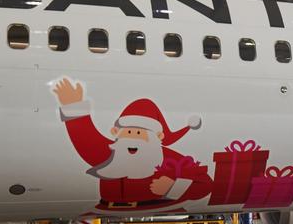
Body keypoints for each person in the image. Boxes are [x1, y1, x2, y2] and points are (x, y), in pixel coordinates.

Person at [53, 78, 212, 212]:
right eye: (128, 132)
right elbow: (85, 141)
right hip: (106, 207)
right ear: (116, 132)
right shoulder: (111, 154)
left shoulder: (169, 159)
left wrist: (173, 187)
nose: (133, 140)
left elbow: (205, 184)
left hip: (157, 206)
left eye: (140, 134)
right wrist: (73, 107)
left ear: (158, 137)